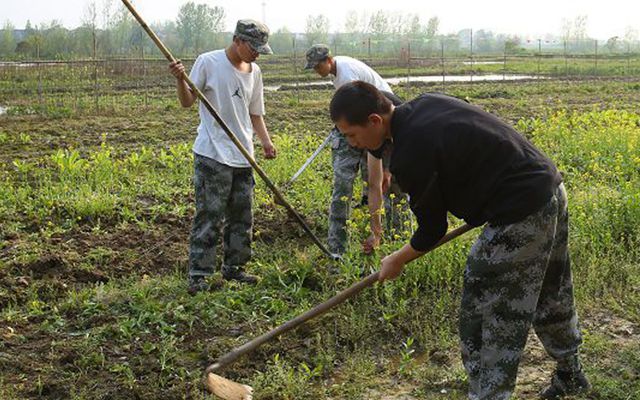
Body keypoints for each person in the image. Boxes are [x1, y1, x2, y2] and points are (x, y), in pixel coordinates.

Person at [329, 81, 590, 399]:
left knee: (487, 308)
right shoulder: (425, 104)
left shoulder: (412, 152)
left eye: (351, 135)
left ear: (374, 120)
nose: (353, 144)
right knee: (552, 289)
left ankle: (489, 394)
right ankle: (571, 373)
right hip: (548, 189)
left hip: (520, 211)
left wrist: (397, 259)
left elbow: (431, 229)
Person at [169, 20, 277, 294]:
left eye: (261, 49)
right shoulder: (208, 62)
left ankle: (235, 268)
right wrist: (181, 80)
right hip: (213, 153)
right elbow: (187, 101)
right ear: (237, 40)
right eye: (253, 48)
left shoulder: (255, 71)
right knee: (210, 214)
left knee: (242, 215)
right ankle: (199, 274)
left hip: (244, 155)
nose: (257, 53)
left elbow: (255, 112)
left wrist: (265, 142)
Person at [304, 44, 407, 256]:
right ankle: (339, 248)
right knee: (350, 185)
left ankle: (401, 244)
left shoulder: (346, 75)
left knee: (391, 184)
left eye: (318, 66)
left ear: (328, 60)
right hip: (368, 121)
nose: (317, 71)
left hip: (378, 119)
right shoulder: (339, 69)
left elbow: (355, 112)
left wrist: (388, 167)